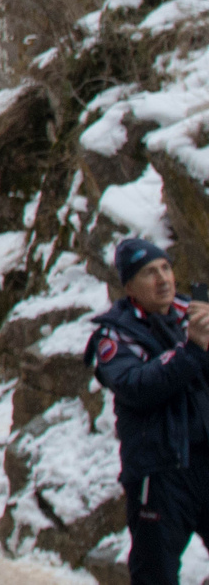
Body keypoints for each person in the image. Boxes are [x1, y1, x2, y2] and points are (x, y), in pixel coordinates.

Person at [87, 237, 209, 585]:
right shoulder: (115, 335)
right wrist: (191, 350)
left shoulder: (193, 314)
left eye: (166, 268)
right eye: (149, 273)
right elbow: (136, 386)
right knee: (155, 575)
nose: (163, 279)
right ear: (129, 287)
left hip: (205, 462)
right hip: (159, 474)